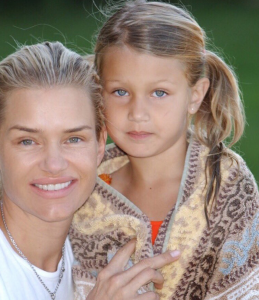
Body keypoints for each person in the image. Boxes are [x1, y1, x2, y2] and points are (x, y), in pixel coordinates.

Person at [0, 41, 180, 300]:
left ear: (99, 145)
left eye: (73, 139)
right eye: (28, 141)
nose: (54, 164)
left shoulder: (98, 246)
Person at [69, 1, 259, 299]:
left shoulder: (228, 186)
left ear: (195, 96)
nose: (138, 113)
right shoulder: (81, 189)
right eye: (120, 92)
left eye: (159, 93)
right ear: (99, 92)